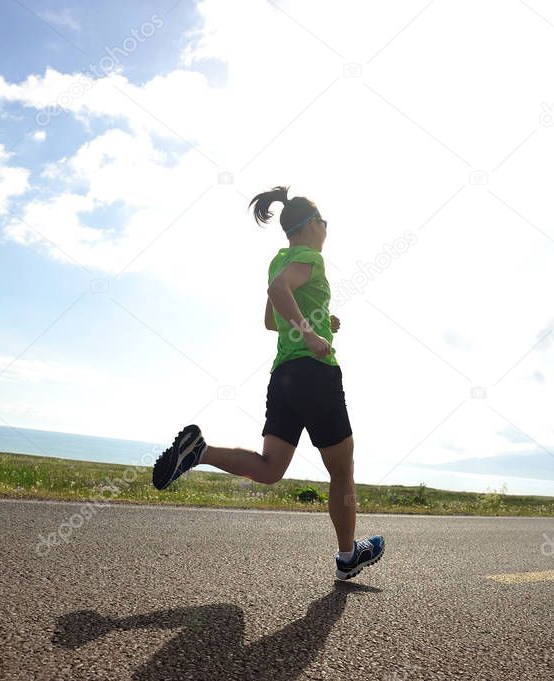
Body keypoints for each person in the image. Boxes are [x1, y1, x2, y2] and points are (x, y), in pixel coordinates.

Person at [152, 185, 384, 580]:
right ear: (311, 226)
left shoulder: (280, 259)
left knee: (270, 467)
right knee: (342, 470)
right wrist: (312, 336)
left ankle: (199, 451)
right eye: (323, 221)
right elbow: (277, 293)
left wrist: (318, 321)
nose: (327, 227)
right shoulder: (311, 258)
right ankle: (348, 557)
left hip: (284, 378)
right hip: (315, 373)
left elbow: (271, 318)